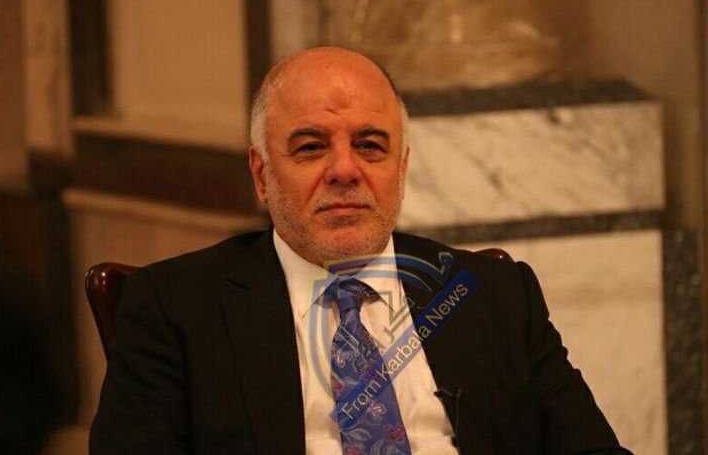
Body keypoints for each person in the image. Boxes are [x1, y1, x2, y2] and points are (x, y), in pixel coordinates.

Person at [90, 47, 631, 454]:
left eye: (370, 145)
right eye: (311, 147)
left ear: (401, 168)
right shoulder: (175, 308)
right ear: (261, 175)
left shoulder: (495, 295)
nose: (345, 170)